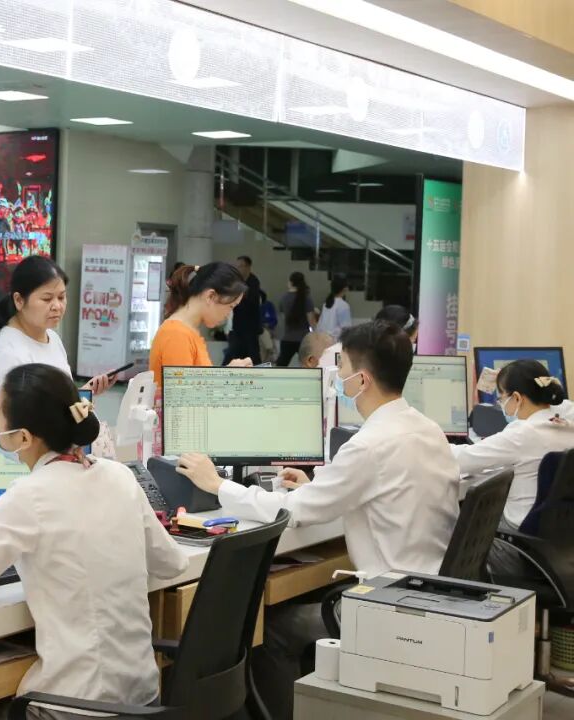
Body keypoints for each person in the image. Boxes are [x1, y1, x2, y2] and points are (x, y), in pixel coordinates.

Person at [176, 320, 459, 719]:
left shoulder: (370, 445)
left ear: (362, 380)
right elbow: (380, 489)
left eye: (341, 366)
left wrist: (218, 485)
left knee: (272, 629)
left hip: (388, 604)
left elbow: (294, 513)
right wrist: (319, 485)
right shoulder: (425, 429)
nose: (337, 376)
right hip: (428, 587)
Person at [0, 363, 189, 715]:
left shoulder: (28, 495)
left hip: (71, 707)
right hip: (143, 701)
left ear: (23, 438)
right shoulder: (119, 476)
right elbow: (172, 563)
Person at [452, 360, 574, 530]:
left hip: (517, 535)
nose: (501, 404)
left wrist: (432, 441)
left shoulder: (523, 434)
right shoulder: (566, 425)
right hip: (561, 535)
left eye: (501, 398)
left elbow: (461, 460)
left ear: (516, 397)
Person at [0, 256, 113, 394]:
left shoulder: (52, 337)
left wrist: (85, 393)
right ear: (19, 300)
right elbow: (3, 408)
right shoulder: (6, 356)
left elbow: (56, 400)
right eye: (47, 299)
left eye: (61, 297)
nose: (57, 306)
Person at [150, 262, 250, 390]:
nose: (229, 314)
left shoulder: (187, 332)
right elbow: (182, 396)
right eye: (231, 306)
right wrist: (226, 378)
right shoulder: (177, 335)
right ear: (210, 296)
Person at [225, 255, 263, 365]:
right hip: (237, 325)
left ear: (248, 267)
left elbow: (253, 302)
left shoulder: (254, 282)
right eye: (237, 266)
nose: (238, 268)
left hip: (250, 326)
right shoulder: (237, 282)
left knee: (253, 354)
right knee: (233, 353)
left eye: (241, 266)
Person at [276, 272, 315, 366]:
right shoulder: (307, 299)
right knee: (308, 365)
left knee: (281, 365)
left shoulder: (284, 298)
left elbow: (283, 318)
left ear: (290, 282)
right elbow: (311, 321)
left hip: (287, 337)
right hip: (303, 339)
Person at [315, 276, 352, 340]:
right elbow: (346, 328)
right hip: (334, 341)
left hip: (322, 339)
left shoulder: (326, 303)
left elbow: (320, 325)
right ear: (345, 289)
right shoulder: (343, 305)